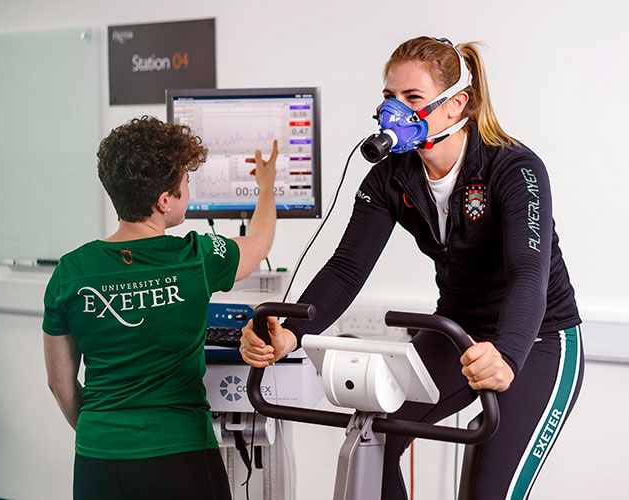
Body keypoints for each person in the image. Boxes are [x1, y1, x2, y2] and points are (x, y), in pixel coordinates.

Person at [240, 37, 584, 500]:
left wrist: (507, 354)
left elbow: (528, 271)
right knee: (373, 438)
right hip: (458, 329)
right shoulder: (391, 175)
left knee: (488, 491)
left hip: (538, 339)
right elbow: (346, 268)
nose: (393, 111)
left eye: (412, 98)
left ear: (456, 104)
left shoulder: (513, 167)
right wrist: (292, 330)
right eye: (388, 97)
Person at [43, 115, 278, 500]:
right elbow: (260, 239)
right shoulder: (197, 256)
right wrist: (266, 188)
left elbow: (60, 383)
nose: (189, 191)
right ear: (164, 201)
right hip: (180, 455)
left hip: (98, 459)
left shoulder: (70, 271)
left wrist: (105, 436)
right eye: (186, 184)